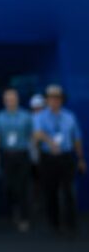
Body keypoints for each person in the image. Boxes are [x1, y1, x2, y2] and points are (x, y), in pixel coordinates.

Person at [33, 84, 86, 234]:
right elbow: (37, 134)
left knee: (69, 190)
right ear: (47, 100)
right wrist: (49, 142)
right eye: (50, 98)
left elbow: (77, 138)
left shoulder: (70, 116)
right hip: (48, 158)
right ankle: (54, 223)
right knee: (50, 191)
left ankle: (71, 223)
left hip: (66, 157)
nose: (54, 101)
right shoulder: (40, 117)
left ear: (61, 100)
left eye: (57, 98)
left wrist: (81, 158)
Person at [0, 88, 33, 232]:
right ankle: (14, 211)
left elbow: (31, 136)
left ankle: (24, 217)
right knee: (9, 186)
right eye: (7, 99)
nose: (10, 101)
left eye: (12, 99)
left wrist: (35, 154)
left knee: (23, 186)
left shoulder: (26, 116)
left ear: (17, 99)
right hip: (7, 155)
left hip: (22, 154)